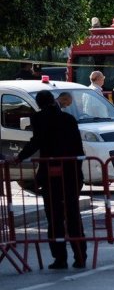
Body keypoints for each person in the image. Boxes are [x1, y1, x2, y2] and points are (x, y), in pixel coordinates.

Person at [15, 91, 86, 269]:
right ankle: (80, 256)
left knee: (54, 215)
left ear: (39, 104)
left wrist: (19, 157)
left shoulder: (39, 119)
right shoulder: (69, 119)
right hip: (71, 173)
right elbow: (78, 146)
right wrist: (79, 171)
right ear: (53, 101)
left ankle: (60, 257)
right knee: (72, 214)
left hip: (51, 175)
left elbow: (36, 142)